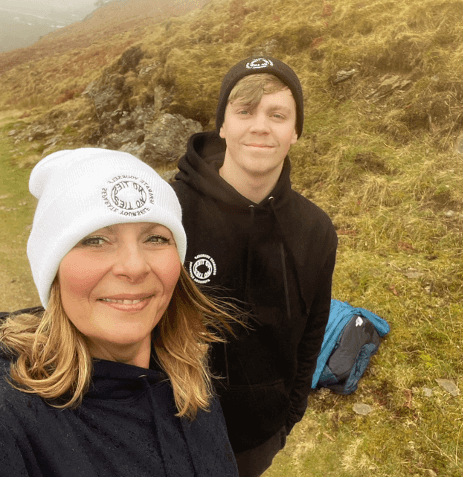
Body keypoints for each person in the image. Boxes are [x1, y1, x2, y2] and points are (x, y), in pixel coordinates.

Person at [0, 148, 240, 477]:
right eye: (95, 240)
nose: (134, 267)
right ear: (52, 270)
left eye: (156, 239)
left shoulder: (188, 375)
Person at [172, 56, 338, 476]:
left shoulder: (315, 229)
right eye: (244, 111)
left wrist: (287, 417)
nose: (260, 126)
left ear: (295, 131)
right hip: (166, 428)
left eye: (277, 114)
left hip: (257, 439)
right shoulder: (170, 210)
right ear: (223, 125)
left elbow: (312, 332)